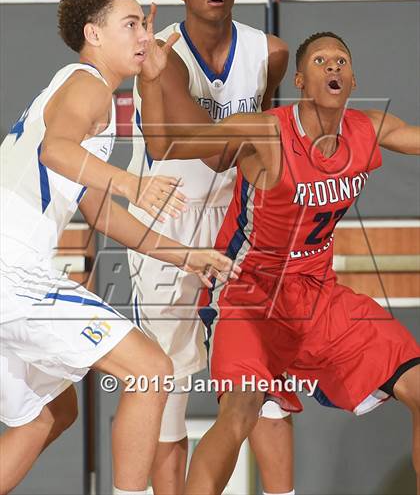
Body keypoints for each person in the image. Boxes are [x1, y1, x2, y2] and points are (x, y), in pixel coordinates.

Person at [139, 30, 420, 494]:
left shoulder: (369, 129)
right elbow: (165, 145)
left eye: (341, 61)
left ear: (352, 79)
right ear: (301, 82)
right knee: (242, 411)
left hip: (317, 293)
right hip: (248, 291)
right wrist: (151, 80)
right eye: (321, 61)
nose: (333, 67)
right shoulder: (267, 129)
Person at [0, 0, 238, 495]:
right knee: (150, 369)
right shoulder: (85, 83)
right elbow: (55, 151)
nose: (143, 36)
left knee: (48, 415)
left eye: (146, 25)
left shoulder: (86, 96)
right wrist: (135, 182)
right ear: (94, 33)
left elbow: (100, 212)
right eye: (130, 24)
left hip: (11, 274)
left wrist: (186, 256)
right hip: (13, 272)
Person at [127, 0, 294, 495]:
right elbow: (185, 145)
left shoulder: (269, 51)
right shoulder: (158, 51)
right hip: (166, 219)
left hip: (237, 222)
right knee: (166, 384)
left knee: (260, 374)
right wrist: (246, 132)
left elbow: (261, 146)